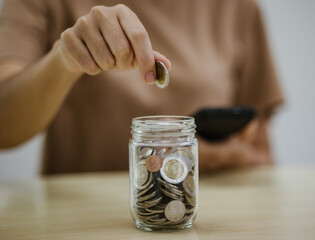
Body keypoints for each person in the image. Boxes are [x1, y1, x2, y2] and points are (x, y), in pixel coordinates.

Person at [0, 0, 283, 174]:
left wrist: (219, 158)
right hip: (81, 222)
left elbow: (260, 156)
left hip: (194, 213)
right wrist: (63, 60)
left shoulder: (238, 6)